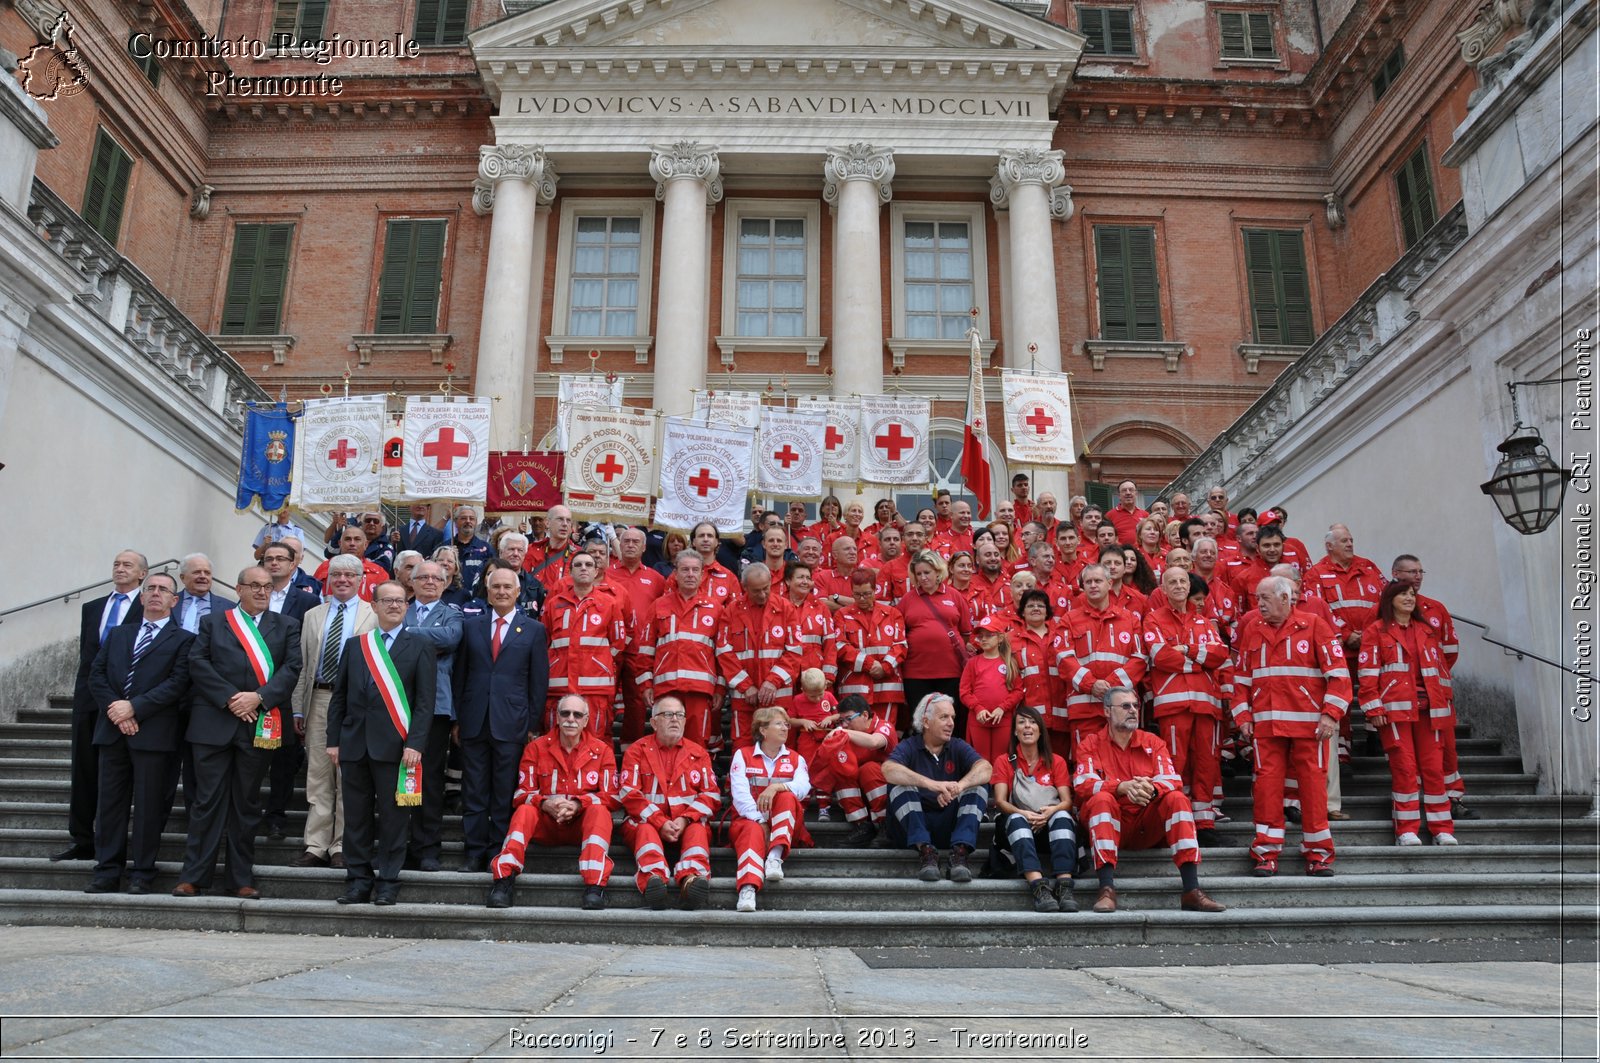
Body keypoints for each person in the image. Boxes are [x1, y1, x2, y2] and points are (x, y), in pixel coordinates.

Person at [173, 566, 303, 899]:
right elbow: (198, 662)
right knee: (206, 802)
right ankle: (194, 876)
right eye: (255, 586)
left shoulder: (286, 625)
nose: (262, 591)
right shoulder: (214, 622)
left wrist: (258, 698)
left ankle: (240, 877)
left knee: (246, 803)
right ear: (239, 588)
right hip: (213, 723)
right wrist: (231, 698)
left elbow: (292, 668)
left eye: (267, 587)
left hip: (260, 723)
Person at [1232, 575, 1351, 877]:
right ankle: (1265, 853)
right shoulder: (1253, 629)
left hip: (1309, 727)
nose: (1258, 604)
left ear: (1285, 598)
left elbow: (1339, 675)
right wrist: (1243, 717)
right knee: (1266, 789)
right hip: (1267, 727)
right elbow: (1241, 680)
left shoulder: (1314, 625)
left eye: (1265, 598)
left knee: (1313, 790)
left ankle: (1319, 854)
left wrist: (1330, 715)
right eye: (1257, 598)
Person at [326, 581, 434, 906]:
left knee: (393, 818)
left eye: (400, 601)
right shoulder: (357, 645)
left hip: (398, 749)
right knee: (356, 817)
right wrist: (334, 741)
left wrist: (415, 743)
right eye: (387, 600)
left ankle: (387, 881)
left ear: (407, 606)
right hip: (355, 744)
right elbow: (339, 697)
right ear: (373, 605)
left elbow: (425, 703)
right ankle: (358, 880)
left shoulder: (420, 645)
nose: (394, 606)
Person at [84, 572, 192, 894]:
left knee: (148, 806)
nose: (156, 593)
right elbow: (97, 675)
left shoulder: (185, 639)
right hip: (113, 731)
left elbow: (177, 683)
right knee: (110, 805)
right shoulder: (118, 634)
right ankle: (106, 870)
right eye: (151, 589)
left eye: (164, 590)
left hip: (154, 735)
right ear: (142, 597)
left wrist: (135, 708)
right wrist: (118, 710)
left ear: (175, 601)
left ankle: (142, 872)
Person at [1074, 687, 1225, 913]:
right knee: (1101, 800)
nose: (1133, 710)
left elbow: (1172, 779)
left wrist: (1152, 789)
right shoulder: (1091, 743)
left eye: (1135, 706)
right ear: (1107, 711)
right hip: (1114, 824)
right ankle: (1106, 889)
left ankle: (1192, 890)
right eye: (1125, 706)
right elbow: (1082, 783)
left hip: (1148, 824)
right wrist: (1122, 787)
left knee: (1177, 798)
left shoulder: (1153, 742)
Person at [454, 560, 549, 873]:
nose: (502, 591)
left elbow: (538, 682)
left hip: (512, 723)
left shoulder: (534, 630)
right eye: (496, 586)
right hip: (474, 720)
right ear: (488, 591)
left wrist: (532, 725)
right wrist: (457, 718)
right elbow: (461, 675)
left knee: (504, 791)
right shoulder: (471, 627)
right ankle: (474, 851)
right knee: (474, 790)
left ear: (518, 591)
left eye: (508, 586)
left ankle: (498, 850)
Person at [485, 694, 620, 911]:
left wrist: (579, 804)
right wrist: (544, 803)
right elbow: (521, 793)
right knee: (524, 811)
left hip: (580, 827)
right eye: (565, 713)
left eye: (577, 714)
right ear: (556, 717)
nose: (571, 719)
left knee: (600, 812)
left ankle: (595, 887)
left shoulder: (602, 751)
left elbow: (613, 796)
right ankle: (503, 881)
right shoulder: (536, 748)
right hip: (546, 825)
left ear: (586, 720)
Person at [59, 550, 147, 862]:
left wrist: (125, 702)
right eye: (116, 564)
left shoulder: (147, 605)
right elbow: (88, 657)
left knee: (120, 775)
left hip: (127, 701)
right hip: (89, 699)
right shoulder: (92, 607)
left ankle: (116, 844)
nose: (120, 569)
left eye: (128, 565)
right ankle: (82, 839)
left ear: (142, 574)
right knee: (83, 768)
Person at [289, 556, 376, 868]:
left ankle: (341, 846)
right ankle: (316, 844)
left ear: (360, 579)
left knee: (349, 776)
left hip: (357, 705)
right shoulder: (313, 615)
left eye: (349, 575)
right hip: (320, 700)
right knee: (318, 776)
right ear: (328, 579)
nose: (342, 579)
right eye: (336, 574)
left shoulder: (373, 613)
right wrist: (298, 707)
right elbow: (302, 664)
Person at [1358, 581, 1457, 846]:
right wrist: (1373, 706)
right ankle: (1406, 830)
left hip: (1431, 711)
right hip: (1394, 712)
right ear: (1390, 599)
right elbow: (1367, 673)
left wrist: (1444, 701)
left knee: (1434, 770)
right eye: (1403, 593)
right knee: (1405, 769)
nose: (1410, 598)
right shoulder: (1375, 631)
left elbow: (1441, 669)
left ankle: (1442, 828)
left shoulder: (1427, 630)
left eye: (1412, 594)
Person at [1141, 566, 1229, 845]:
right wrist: (1199, 661)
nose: (1179, 586)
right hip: (1173, 705)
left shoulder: (1204, 621)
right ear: (1163, 589)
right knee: (1175, 764)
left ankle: (1203, 824)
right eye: (1172, 582)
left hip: (1206, 705)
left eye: (1183, 581)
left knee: (1206, 762)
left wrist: (1187, 650)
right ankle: (1175, 822)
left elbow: (1220, 655)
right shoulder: (1153, 619)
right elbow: (1160, 657)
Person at [1389, 553, 1472, 818]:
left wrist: (1433, 676)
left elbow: (1450, 650)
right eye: (1411, 572)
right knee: (1409, 757)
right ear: (1395, 574)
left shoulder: (1436, 608)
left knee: (1447, 750)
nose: (1417, 577)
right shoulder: (1385, 611)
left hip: (1438, 695)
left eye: (1421, 572)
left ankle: (1453, 799)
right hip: (1403, 696)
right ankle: (1415, 805)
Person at [618, 697, 720, 909]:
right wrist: (659, 821)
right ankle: (654, 881)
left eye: (679, 715)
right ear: (654, 722)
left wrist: (684, 819)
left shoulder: (698, 753)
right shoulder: (637, 750)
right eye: (667, 715)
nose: (675, 720)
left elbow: (711, 795)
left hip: (685, 825)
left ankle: (691, 881)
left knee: (698, 829)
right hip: (647, 824)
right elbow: (629, 793)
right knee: (644, 828)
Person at [882, 693, 991, 883]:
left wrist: (959, 787)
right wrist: (933, 785)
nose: (951, 723)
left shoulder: (957, 746)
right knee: (899, 785)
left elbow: (986, 768)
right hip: (913, 829)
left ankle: (960, 853)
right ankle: (925, 851)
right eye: (944, 717)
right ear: (926, 722)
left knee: (979, 786)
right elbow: (888, 769)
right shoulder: (909, 745)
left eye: (953, 718)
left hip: (948, 827)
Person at [400, 561, 463, 872]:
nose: (428, 582)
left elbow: (450, 639)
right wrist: (427, 637)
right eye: (422, 577)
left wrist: (405, 633)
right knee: (394, 777)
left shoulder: (453, 613)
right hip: (397, 704)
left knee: (431, 780)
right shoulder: (400, 606)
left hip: (436, 708)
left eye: (435, 578)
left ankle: (427, 848)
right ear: (411, 582)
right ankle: (397, 844)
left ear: (445, 582)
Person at [991, 707, 1078, 913]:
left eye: (1032, 722)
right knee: (1015, 819)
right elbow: (1000, 802)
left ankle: (1065, 886)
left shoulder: (1056, 761)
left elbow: (1066, 801)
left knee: (1063, 816)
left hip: (1049, 826)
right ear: (1015, 731)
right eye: (1021, 722)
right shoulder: (1004, 761)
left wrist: (1050, 812)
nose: (1027, 726)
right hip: (1018, 827)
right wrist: (1023, 813)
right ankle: (1039, 888)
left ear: (1040, 730)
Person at [639, 550, 725, 749]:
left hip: (700, 691)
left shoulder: (716, 609)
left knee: (698, 744)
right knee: (665, 742)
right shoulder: (658, 606)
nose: (690, 574)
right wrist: (646, 685)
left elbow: (722, 654)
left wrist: (720, 688)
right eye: (685, 569)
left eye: (695, 570)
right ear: (675, 574)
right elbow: (645, 651)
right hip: (666, 688)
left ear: (702, 575)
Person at [1057, 563, 1145, 755]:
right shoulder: (1069, 619)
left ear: (1109, 583)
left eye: (1098, 581)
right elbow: (1063, 659)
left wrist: (1111, 687)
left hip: (1121, 707)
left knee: (1122, 760)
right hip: (1084, 707)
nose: (1093, 585)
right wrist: (1091, 684)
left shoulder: (1130, 619)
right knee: (1086, 761)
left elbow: (1139, 659)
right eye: (1088, 582)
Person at [729, 706, 811, 912]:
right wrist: (760, 821)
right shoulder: (743, 755)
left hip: (787, 826)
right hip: (750, 820)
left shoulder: (796, 758)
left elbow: (804, 787)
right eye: (778, 724)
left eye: (786, 724)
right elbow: (740, 796)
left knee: (787, 796)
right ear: (763, 730)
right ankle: (747, 888)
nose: (785, 728)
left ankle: (774, 857)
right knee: (752, 830)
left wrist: (776, 787)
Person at [540, 551, 627, 736]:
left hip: (595, 688)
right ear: (570, 572)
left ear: (596, 571)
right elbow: (544, 641)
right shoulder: (554, 604)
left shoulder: (609, 604)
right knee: (555, 738)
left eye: (588, 565)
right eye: (578, 565)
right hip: (559, 685)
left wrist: (599, 662)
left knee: (596, 740)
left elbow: (618, 644)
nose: (583, 568)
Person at [717, 564, 804, 747]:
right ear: (744, 587)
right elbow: (724, 652)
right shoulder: (731, 611)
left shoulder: (786, 608)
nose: (763, 594)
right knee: (743, 746)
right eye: (756, 591)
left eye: (766, 588)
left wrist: (773, 681)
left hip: (778, 695)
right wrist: (745, 685)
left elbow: (795, 651)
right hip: (744, 698)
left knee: (780, 748)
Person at [898, 550, 972, 736]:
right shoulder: (907, 599)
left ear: (938, 572)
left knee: (950, 721)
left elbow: (965, 633)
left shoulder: (954, 596)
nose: (923, 577)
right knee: (921, 722)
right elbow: (900, 634)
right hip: (916, 673)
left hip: (951, 671)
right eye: (919, 574)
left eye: (927, 572)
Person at [812, 694, 897, 846]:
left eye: (848, 719)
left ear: (865, 715)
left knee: (868, 769)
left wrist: (843, 733)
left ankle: (886, 826)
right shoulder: (845, 733)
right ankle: (862, 826)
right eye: (841, 720)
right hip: (861, 792)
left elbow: (874, 742)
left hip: (888, 791)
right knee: (840, 771)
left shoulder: (883, 726)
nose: (844, 725)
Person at [835, 568, 907, 718]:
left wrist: (885, 667)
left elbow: (900, 645)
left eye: (867, 594)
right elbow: (840, 646)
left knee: (884, 735)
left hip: (887, 687)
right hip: (855, 686)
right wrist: (870, 665)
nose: (862, 599)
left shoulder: (893, 613)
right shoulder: (841, 615)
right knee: (855, 735)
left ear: (875, 590)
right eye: (857, 594)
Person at [960, 616, 1023, 763]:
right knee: (980, 760)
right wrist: (978, 708)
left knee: (1001, 760)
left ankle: (1000, 786)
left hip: (1003, 719)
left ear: (1000, 638)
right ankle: (982, 786)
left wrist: (1002, 708)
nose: (983, 639)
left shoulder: (1009, 662)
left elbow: (1018, 691)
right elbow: (964, 692)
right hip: (979, 720)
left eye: (989, 635)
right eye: (980, 636)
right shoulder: (973, 663)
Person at [313, 524, 388, 600]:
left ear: (366, 544)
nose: (352, 543)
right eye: (348, 539)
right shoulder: (325, 567)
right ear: (340, 544)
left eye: (357, 539)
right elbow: (312, 596)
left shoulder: (379, 573)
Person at [262, 541, 318, 622]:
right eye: (269, 559)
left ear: (292, 565)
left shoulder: (307, 601)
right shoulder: (253, 592)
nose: (274, 563)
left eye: (280, 559)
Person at [448, 506, 496, 595]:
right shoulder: (445, 547)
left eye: (472, 518)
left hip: (477, 598)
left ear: (476, 522)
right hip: (450, 597)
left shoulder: (486, 549)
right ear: (455, 522)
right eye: (463, 518)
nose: (468, 521)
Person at [1105, 479, 1148, 543]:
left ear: (1136, 494)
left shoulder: (1145, 515)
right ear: (1119, 496)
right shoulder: (1109, 515)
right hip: (1120, 552)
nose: (1128, 493)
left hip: (1141, 552)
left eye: (1131, 490)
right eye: (1124, 490)